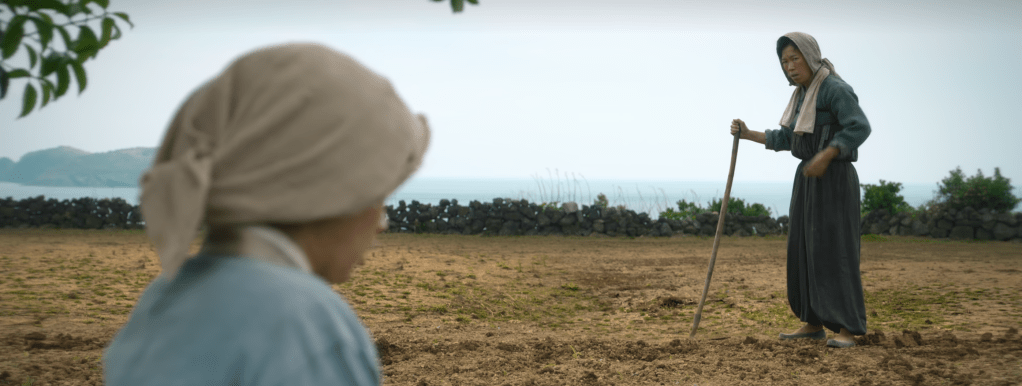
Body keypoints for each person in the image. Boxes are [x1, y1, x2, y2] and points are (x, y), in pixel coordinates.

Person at [104, 43, 430, 384]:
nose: (381, 224)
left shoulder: (163, 298)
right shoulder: (305, 322)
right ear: (329, 191)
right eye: (375, 194)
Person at [729, 32, 870, 349]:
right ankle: (813, 322)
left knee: (836, 252)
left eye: (795, 58)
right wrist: (748, 133)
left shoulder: (834, 89)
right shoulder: (801, 97)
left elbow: (859, 126)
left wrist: (828, 154)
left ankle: (847, 327)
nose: (790, 66)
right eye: (784, 61)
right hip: (807, 178)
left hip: (834, 179)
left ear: (810, 55)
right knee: (805, 251)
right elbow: (786, 139)